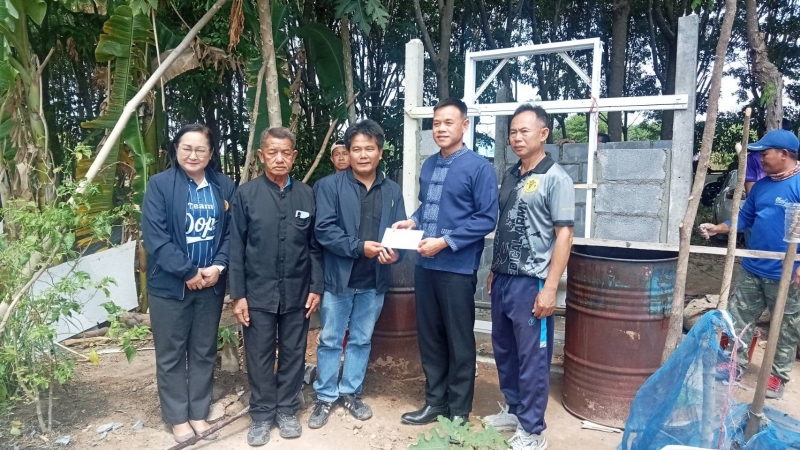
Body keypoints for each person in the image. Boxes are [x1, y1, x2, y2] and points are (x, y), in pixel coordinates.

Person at [394, 97, 499, 425]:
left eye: (448, 122)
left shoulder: (479, 167)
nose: (441, 128)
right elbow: (428, 205)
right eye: (436, 123)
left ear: (464, 125)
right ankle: (435, 402)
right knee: (430, 338)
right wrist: (413, 220)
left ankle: (459, 411)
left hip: (457, 267)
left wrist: (444, 242)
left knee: (459, 340)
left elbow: (487, 218)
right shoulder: (429, 165)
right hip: (425, 266)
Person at [481, 105, 575, 450]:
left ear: (543, 133)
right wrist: (495, 269)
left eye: (524, 131)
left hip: (532, 281)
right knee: (504, 349)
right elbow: (506, 227)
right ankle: (515, 409)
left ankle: (533, 431)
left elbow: (564, 236)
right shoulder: (510, 175)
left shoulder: (556, 178)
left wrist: (550, 288)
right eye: (512, 132)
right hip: (504, 278)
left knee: (532, 357)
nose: (517, 138)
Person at [308, 119, 406, 429]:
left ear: (380, 152)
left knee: (362, 339)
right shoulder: (329, 186)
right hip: (339, 279)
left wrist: (396, 254)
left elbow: (399, 232)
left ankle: (350, 391)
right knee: (331, 339)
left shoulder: (392, 190)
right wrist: (359, 247)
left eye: (369, 149)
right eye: (357, 149)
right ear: (348, 153)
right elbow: (324, 230)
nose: (363, 155)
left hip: (374, 280)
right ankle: (325, 395)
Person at [141, 124, 236, 444]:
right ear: (176, 149)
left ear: (211, 153)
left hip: (211, 284)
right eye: (186, 148)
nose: (193, 155)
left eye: (200, 149)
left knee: (203, 351)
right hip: (170, 287)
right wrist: (188, 272)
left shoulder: (223, 185)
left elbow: (231, 233)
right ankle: (177, 418)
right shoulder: (160, 185)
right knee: (171, 354)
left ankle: (198, 412)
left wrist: (218, 266)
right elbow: (156, 237)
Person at [230, 127, 324, 446]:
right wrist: (238, 295)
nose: (279, 158)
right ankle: (261, 415)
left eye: (286, 153)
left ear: (294, 157)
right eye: (273, 152)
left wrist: (316, 287)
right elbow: (236, 248)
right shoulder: (246, 195)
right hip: (257, 293)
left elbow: (315, 247)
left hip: (298, 292)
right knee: (258, 354)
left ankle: (286, 410)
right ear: (261, 156)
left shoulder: (307, 195)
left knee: (294, 353)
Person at [699, 129, 800, 400]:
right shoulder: (763, 186)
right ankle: (733, 364)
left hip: (787, 272)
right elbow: (745, 218)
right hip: (753, 267)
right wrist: (718, 228)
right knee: (737, 319)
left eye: (765, 153)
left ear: (784, 154)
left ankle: (777, 376)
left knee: (785, 326)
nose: (760, 159)